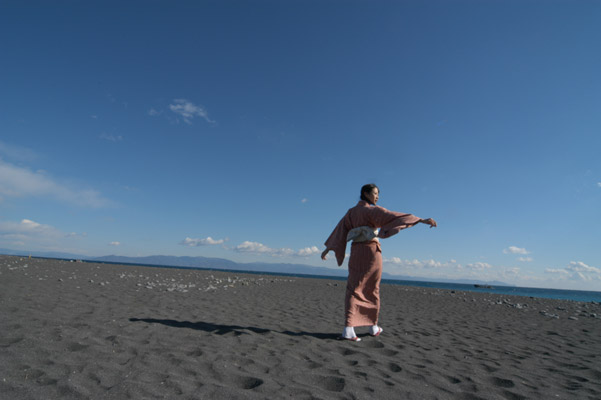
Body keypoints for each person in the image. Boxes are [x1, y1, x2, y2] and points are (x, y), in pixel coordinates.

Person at [321, 183, 437, 341]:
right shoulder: (372, 211)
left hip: (356, 251)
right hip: (371, 251)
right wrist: (421, 220)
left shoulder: (351, 212)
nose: (377, 197)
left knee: (354, 287)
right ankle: (372, 327)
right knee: (372, 288)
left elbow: (340, 231)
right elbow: (394, 216)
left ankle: (350, 329)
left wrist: (328, 248)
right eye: (375, 193)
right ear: (365, 193)